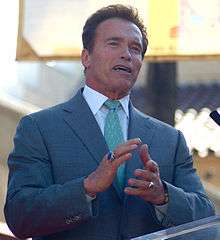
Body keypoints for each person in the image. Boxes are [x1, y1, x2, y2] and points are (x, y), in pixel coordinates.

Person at [4, 4, 215, 240]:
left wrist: (163, 196)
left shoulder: (170, 139)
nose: (127, 54)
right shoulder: (40, 128)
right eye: (114, 43)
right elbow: (19, 217)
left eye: (135, 49)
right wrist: (86, 188)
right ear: (86, 57)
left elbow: (205, 217)